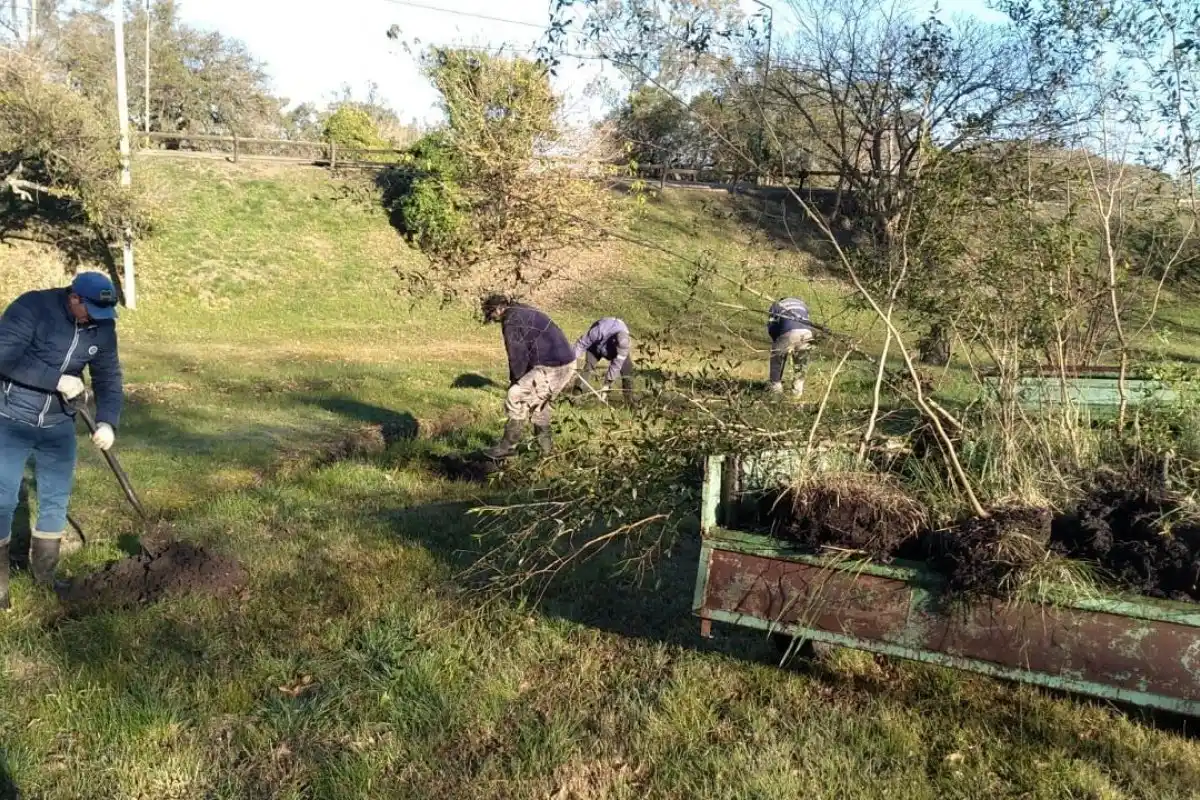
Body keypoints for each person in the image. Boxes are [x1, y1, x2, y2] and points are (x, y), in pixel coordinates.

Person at [0, 272, 123, 607]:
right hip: (11, 418)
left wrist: (108, 421)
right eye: (91, 312)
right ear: (74, 298)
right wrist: (55, 380)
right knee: (4, 500)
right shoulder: (33, 307)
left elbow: (109, 376)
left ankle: (45, 577)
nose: (95, 321)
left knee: (55, 500)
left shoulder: (102, 327)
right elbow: (3, 356)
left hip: (59, 424)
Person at [480, 294, 576, 459]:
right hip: (566, 363)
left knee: (515, 395)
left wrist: (515, 381)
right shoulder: (522, 309)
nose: (494, 320)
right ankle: (546, 452)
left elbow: (517, 355)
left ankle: (508, 446)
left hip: (552, 366)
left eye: (492, 317)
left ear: (498, 309)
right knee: (539, 403)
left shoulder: (511, 321)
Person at [573, 317, 633, 404]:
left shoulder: (624, 345)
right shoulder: (600, 330)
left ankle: (629, 401)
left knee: (627, 369)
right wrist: (571, 360)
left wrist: (606, 385)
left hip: (612, 347)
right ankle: (576, 397)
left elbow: (616, 365)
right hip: (596, 345)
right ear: (614, 340)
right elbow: (581, 344)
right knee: (588, 367)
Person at [767, 296, 814, 398]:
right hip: (807, 334)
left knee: (776, 359)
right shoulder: (802, 304)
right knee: (801, 364)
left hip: (788, 332)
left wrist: (776, 341)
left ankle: (776, 389)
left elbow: (772, 327)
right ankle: (797, 392)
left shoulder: (776, 305)